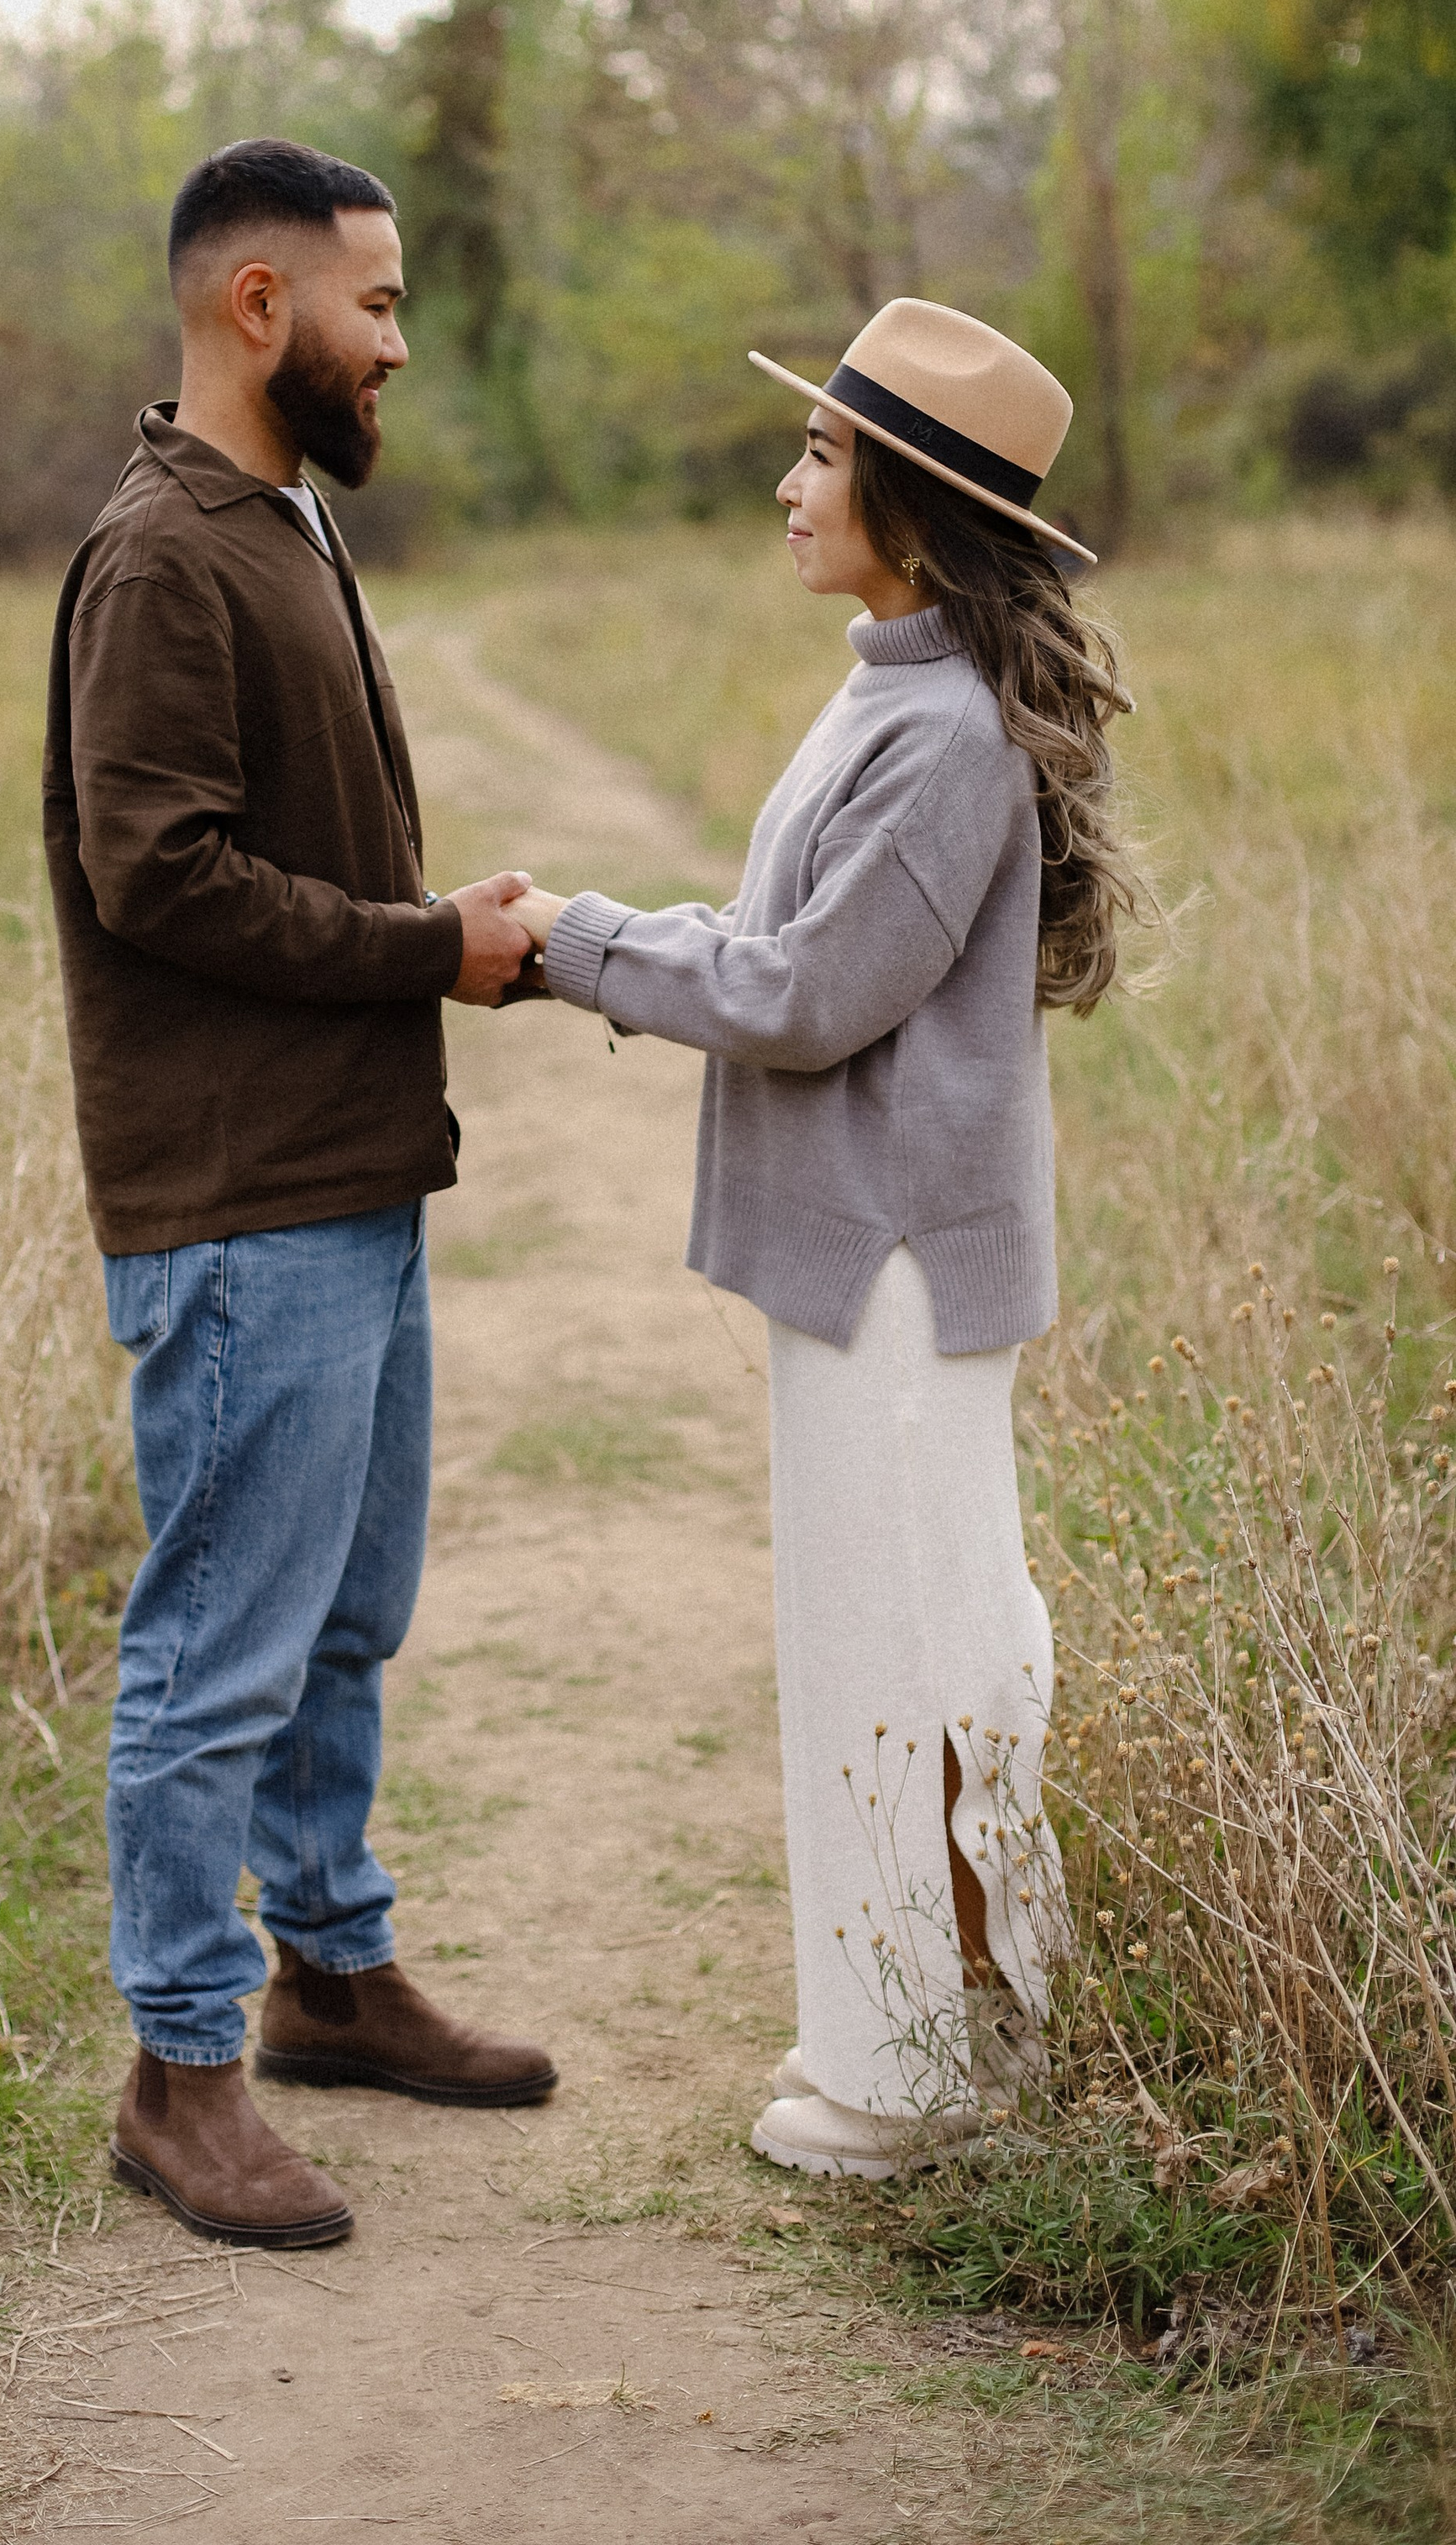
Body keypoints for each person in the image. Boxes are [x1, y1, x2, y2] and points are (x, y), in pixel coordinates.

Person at [508, 299, 1148, 2180]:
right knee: (903, 1638)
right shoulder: (891, 680)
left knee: (917, 1650)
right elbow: (788, 939)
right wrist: (612, 940)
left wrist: (575, 941)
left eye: (820, 458)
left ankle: (921, 2083)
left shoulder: (944, 735)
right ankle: (933, 2039)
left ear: (913, 508)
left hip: (897, 1263)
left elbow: (807, 994)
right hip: (864, 1255)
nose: (787, 487)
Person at [43, 138, 557, 2253]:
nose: (399, 345)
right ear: (261, 306)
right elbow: (147, 870)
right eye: (380, 304)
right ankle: (182, 2069)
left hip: (342, 1172)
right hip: (240, 1202)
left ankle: (331, 1972)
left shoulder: (281, 522)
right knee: (218, 1648)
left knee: (343, 1616)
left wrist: (427, 946)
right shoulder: (164, 555)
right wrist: (423, 947)